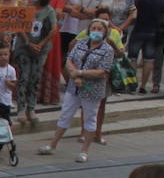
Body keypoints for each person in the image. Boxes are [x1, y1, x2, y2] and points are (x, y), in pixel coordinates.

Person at [38, 19, 113, 163]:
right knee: (65, 114)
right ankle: (52, 145)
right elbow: (69, 59)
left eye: (99, 29)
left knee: (90, 118)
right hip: (74, 87)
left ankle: (84, 151)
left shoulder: (107, 50)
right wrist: (73, 73)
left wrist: (80, 74)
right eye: (93, 28)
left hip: (92, 90)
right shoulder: (82, 42)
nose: (96, 31)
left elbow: (102, 72)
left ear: (105, 32)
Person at [14, 0, 57, 128]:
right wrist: (28, 42)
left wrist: (40, 44)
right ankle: (21, 108)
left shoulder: (49, 11)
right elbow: (19, 27)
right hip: (24, 48)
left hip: (41, 50)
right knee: (24, 77)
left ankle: (31, 108)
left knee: (35, 77)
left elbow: (53, 29)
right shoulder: (25, 8)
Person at [125, 0, 164, 95]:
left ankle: (132, 84)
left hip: (139, 30)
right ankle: (143, 86)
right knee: (148, 60)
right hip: (153, 32)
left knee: (133, 58)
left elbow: (134, 12)